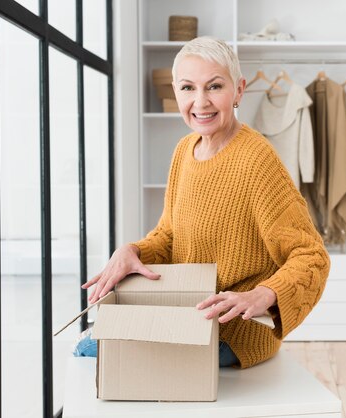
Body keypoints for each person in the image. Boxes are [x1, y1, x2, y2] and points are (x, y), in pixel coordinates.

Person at [77, 36, 330, 369]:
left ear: (238, 90)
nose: (200, 102)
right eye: (187, 88)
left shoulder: (257, 160)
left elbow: (311, 255)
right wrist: (132, 251)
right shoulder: (184, 150)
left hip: (235, 330)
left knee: (88, 351)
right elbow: (169, 236)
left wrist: (265, 294)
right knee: (88, 342)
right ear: (175, 91)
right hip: (188, 315)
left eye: (214, 86)